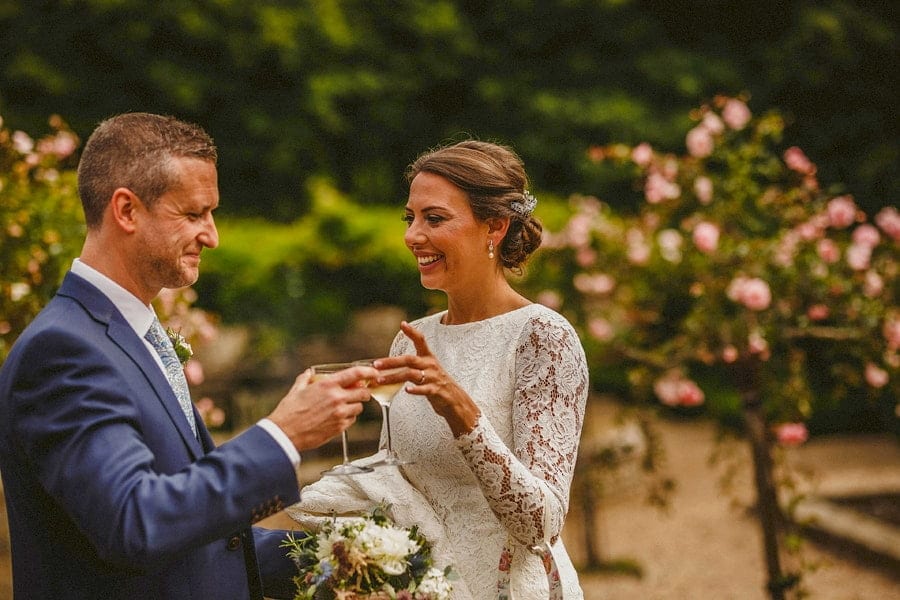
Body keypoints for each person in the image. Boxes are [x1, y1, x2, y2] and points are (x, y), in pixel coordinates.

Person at [0, 113, 375, 599]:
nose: (212, 235)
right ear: (127, 211)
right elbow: (136, 523)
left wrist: (345, 554)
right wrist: (284, 435)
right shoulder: (62, 352)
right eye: (194, 214)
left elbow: (199, 544)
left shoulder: (134, 336)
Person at [287, 140, 588, 599]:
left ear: (496, 226)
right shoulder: (411, 338)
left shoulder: (542, 336)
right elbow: (394, 484)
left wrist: (462, 413)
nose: (412, 235)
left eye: (435, 218)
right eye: (410, 218)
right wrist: (283, 472)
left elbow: (539, 525)